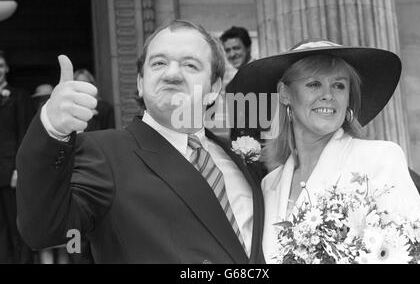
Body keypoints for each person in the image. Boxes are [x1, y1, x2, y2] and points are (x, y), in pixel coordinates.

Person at [16, 20, 265, 263]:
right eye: (158, 63)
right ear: (140, 83)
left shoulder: (239, 158)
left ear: (215, 86)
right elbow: (43, 228)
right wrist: (52, 129)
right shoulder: (103, 153)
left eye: (190, 65)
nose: (172, 74)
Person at [226, 39, 420, 263]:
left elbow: (417, 253)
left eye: (339, 85)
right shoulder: (269, 185)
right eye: (314, 84)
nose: (328, 95)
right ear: (284, 93)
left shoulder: (380, 158)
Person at [0, 50, 34, 263]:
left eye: (1, 65)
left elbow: (25, 134)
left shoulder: (19, 96)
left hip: (11, 170)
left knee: (16, 224)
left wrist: (19, 169)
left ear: (7, 69)